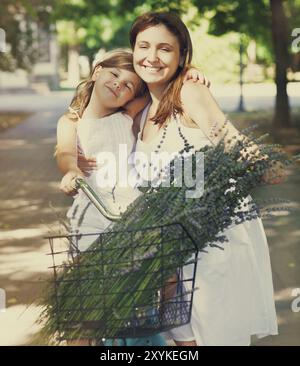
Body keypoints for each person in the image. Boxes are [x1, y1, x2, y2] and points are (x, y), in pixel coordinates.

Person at [128, 11, 283, 346]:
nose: (151, 57)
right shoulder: (139, 109)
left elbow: (231, 141)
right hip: (169, 243)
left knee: (211, 335)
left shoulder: (189, 93)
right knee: (181, 340)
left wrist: (263, 164)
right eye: (144, 46)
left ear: (182, 56)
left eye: (165, 49)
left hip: (211, 235)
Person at [56, 48, 207, 346]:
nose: (118, 85)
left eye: (128, 86)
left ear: (131, 98)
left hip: (132, 212)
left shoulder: (126, 114)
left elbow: (162, 87)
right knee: (87, 301)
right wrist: (71, 170)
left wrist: (187, 71)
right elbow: (64, 152)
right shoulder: (72, 121)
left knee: (168, 276)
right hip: (94, 213)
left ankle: (164, 324)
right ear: (97, 71)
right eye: (114, 75)